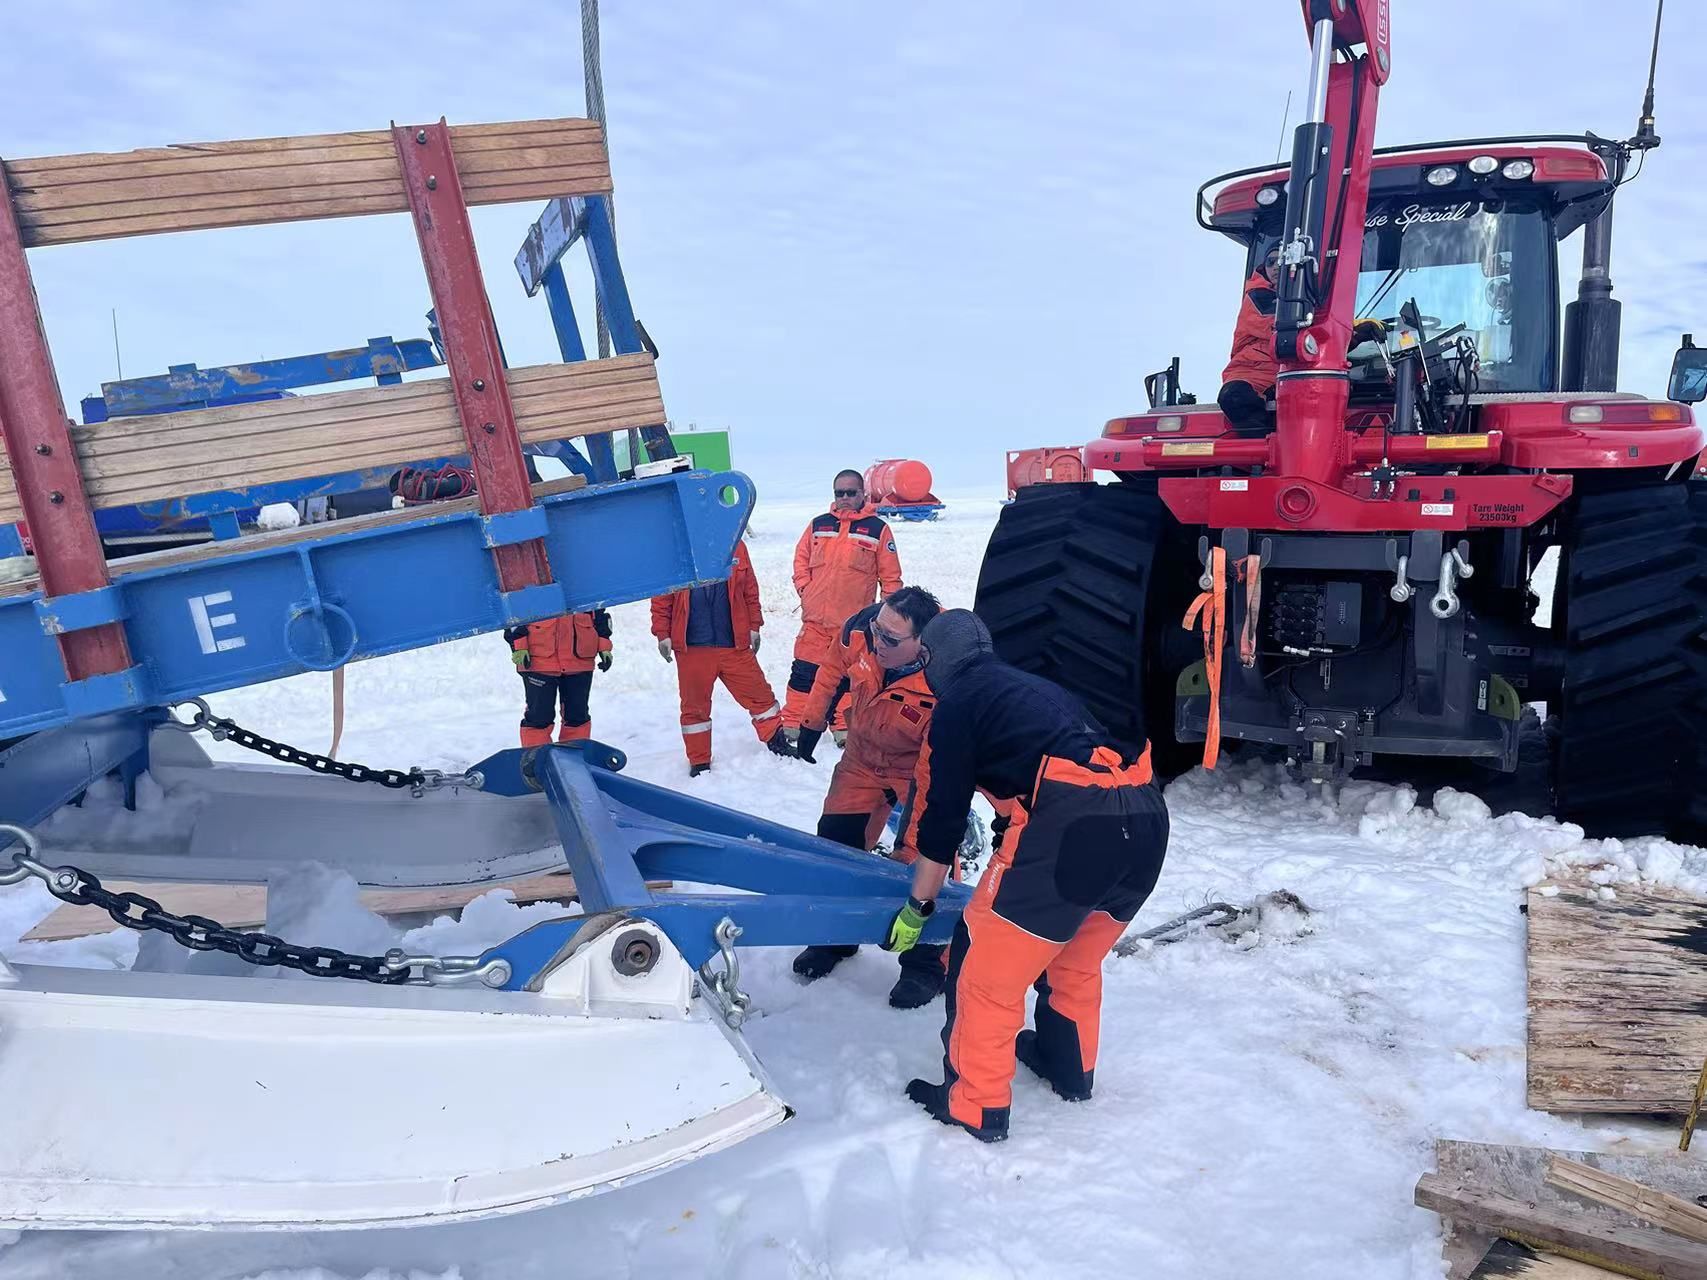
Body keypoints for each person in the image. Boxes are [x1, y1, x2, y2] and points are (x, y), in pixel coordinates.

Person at [882, 610, 1170, 1142]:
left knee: (985, 968)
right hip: (1144, 820)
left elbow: (942, 820)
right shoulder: (1030, 689)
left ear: (933, 661)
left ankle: (975, 1105)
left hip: (1072, 828)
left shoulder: (958, 706)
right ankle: (1069, 1069)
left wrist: (918, 907)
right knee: (1075, 959)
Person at [786, 585, 948, 1009]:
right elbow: (830, 671)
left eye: (891, 640)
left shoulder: (946, 678)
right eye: (878, 629)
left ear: (922, 644)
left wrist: (914, 845)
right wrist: (812, 721)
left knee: (923, 860)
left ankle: (928, 965)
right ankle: (835, 940)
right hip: (861, 758)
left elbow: (935, 782)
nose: (879, 642)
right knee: (835, 848)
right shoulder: (861, 631)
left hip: (917, 769)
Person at [783, 470, 904, 739]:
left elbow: (891, 578)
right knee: (804, 672)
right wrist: (806, 590)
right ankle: (794, 723)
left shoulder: (878, 529)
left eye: (851, 492)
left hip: (852, 624)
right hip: (815, 621)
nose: (845, 498)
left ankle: (842, 726)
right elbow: (800, 561)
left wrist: (887, 617)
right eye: (840, 493)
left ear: (863, 493)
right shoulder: (818, 524)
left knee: (848, 678)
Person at [652, 539, 787, 776]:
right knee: (695, 708)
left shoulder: (736, 545)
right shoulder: (675, 547)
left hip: (733, 643)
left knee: (760, 696)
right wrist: (662, 633)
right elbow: (662, 596)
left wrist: (754, 625)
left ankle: (776, 739)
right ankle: (699, 761)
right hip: (693, 647)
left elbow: (750, 590)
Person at [506, 610, 612, 747]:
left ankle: (574, 759)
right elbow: (513, 612)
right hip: (539, 660)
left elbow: (599, 610)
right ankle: (536, 761)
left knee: (577, 717)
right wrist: (519, 645)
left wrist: (604, 646)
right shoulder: (527, 587)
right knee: (539, 717)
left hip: (580, 660)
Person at [1217, 244, 1281, 434]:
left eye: (1282, 260)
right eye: (1271, 261)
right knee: (1234, 396)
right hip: (1254, 369)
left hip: (1292, 369)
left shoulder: (1316, 297)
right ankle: (1265, 448)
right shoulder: (1258, 297)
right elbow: (1278, 327)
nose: (1277, 266)